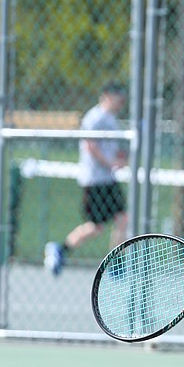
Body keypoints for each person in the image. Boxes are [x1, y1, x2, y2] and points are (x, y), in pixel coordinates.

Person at [44, 82, 129, 276]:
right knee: (96, 226)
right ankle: (60, 249)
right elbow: (91, 145)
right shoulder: (95, 116)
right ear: (107, 95)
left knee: (122, 219)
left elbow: (113, 149)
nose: (121, 102)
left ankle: (115, 263)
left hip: (108, 179)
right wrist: (109, 163)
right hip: (95, 180)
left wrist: (121, 158)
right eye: (117, 96)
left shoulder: (112, 120)